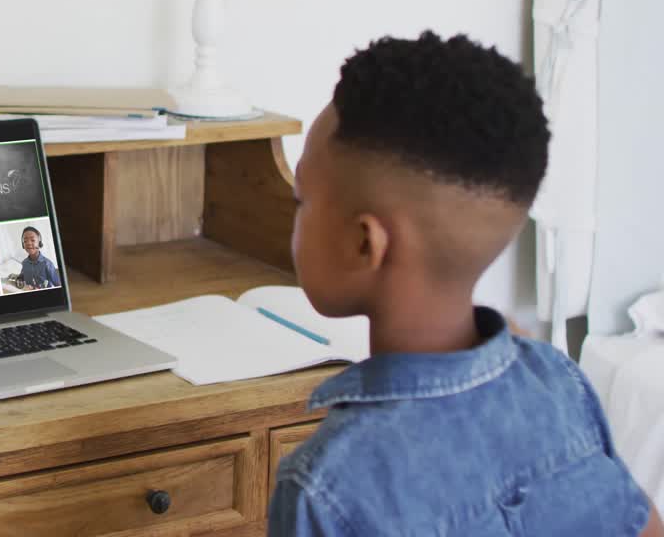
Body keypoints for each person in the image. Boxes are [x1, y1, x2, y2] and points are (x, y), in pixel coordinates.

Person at [269, 31, 662, 537]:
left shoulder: (327, 484)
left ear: (365, 244)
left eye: (302, 199)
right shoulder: (558, 380)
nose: (294, 215)